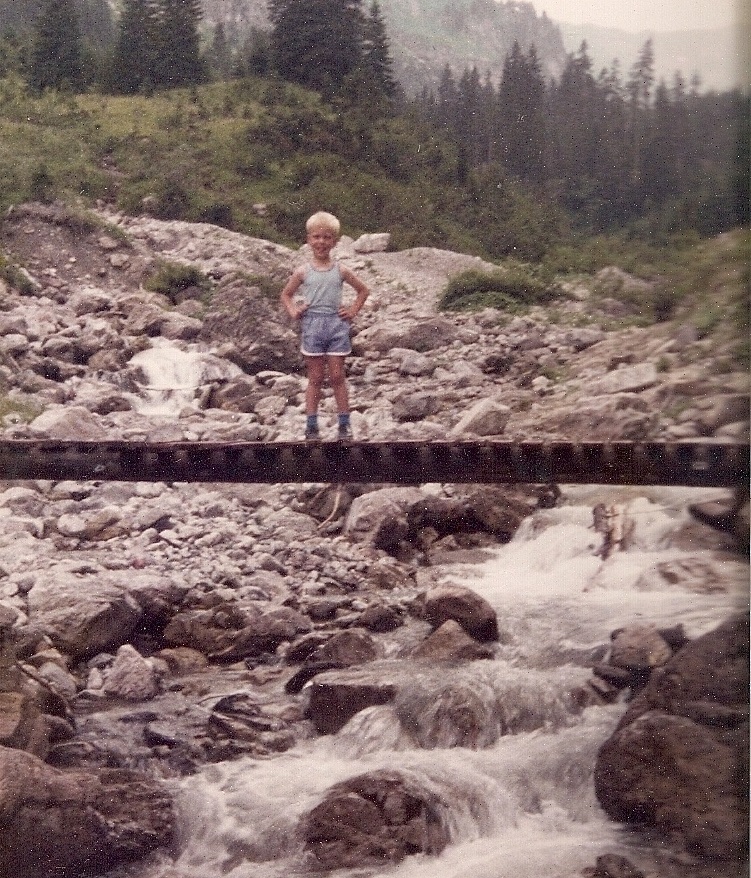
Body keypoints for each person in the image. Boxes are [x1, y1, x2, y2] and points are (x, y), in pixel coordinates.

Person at [280, 211, 370, 441]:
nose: (321, 242)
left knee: (338, 376)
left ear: (335, 242)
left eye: (327, 237)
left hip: (336, 326)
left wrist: (352, 311)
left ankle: (344, 425)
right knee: (316, 378)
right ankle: (311, 426)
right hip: (312, 326)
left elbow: (363, 290)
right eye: (316, 237)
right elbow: (286, 295)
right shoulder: (303, 271)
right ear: (309, 239)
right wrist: (294, 311)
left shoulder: (340, 270)